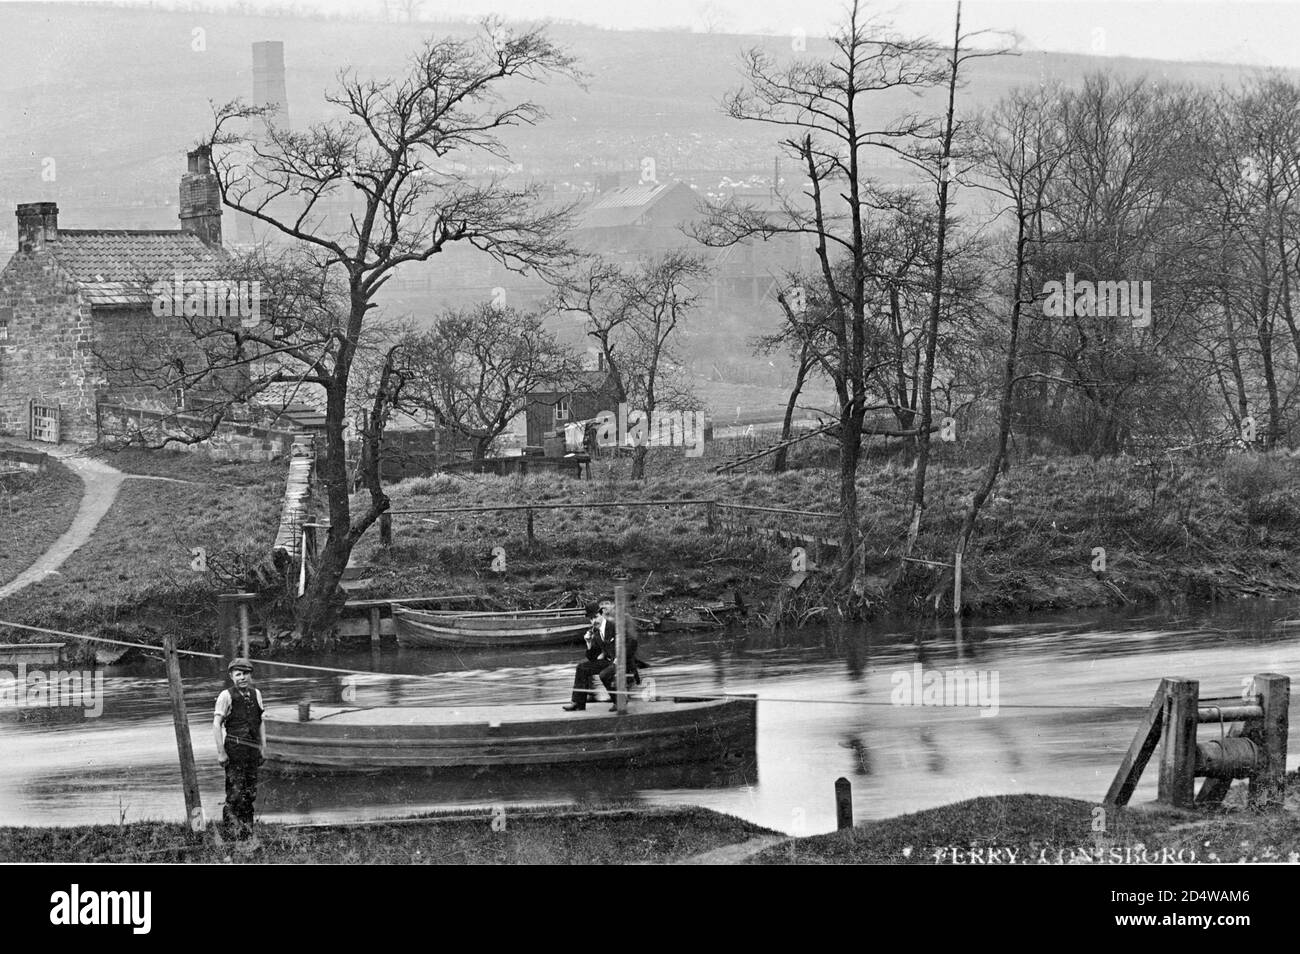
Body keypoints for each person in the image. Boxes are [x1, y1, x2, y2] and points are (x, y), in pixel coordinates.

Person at [213, 657, 265, 834]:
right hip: (234, 749)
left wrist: (262, 748)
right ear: (231, 676)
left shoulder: (256, 693)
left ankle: (248, 831)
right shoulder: (225, 696)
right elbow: (216, 724)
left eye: (246, 674)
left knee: (250, 792)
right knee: (235, 793)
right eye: (239, 674)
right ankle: (231, 834)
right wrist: (221, 752)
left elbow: (260, 723)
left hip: (252, 750)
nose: (243, 678)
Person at [563, 601, 611, 711]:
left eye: (595, 617)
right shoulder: (595, 630)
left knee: (603, 672)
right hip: (607, 661)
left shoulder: (611, 626)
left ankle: (618, 699)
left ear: (602, 614)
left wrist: (605, 654)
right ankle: (578, 703)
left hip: (617, 660)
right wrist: (589, 643)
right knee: (581, 667)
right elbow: (592, 658)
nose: (593, 621)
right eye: (591, 618)